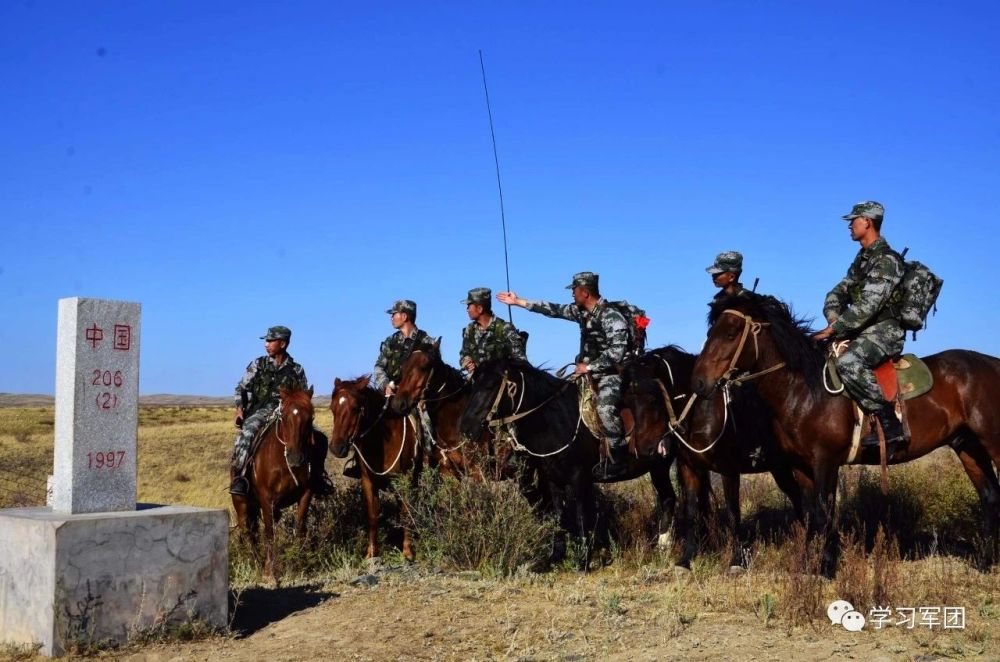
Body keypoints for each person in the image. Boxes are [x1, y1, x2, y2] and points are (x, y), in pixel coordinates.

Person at [498, 272, 631, 480]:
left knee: (605, 409)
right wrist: (518, 302)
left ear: (585, 292)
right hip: (584, 374)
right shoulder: (581, 312)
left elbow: (617, 352)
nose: (572, 295)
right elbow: (552, 309)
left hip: (609, 374)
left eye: (575, 291)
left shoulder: (611, 316)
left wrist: (589, 367)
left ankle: (619, 457)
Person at [812, 200, 907, 456]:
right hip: (859, 329)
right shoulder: (861, 260)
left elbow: (868, 305)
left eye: (853, 220)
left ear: (868, 221)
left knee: (849, 363)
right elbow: (837, 293)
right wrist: (834, 319)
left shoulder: (887, 260)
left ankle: (888, 422)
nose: (850, 226)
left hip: (885, 332)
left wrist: (834, 330)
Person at [231, 325, 321, 496]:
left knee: (319, 438)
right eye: (266, 341)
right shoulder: (258, 364)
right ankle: (240, 477)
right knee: (247, 434)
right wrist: (239, 410)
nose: (266, 344)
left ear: (283, 344)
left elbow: (302, 397)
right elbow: (240, 388)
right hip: (260, 411)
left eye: (270, 341)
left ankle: (317, 478)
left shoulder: (296, 369)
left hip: (287, 413)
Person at [373, 300, 437, 397]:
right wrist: (386, 386)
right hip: (391, 397)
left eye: (394, 314)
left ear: (404, 317)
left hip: (416, 399)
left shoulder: (427, 342)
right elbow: (379, 367)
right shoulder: (390, 342)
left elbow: (435, 373)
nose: (391, 317)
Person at [459, 287, 527, 374]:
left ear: (480, 309)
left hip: (501, 382)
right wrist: (467, 363)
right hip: (477, 382)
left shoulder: (504, 328)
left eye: (469, 306)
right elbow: (464, 354)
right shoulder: (470, 330)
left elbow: (521, 361)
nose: (467, 309)